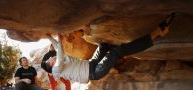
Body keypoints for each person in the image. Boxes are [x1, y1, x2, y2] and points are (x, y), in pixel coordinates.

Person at [45, 14, 173, 84]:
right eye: (49, 60)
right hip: (95, 72)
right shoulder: (57, 70)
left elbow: (57, 48)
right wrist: (58, 38)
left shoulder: (59, 63)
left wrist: (50, 37)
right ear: (50, 66)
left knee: (103, 46)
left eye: (50, 57)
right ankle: (155, 34)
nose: (51, 57)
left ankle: (124, 52)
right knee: (115, 52)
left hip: (91, 64)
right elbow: (60, 50)